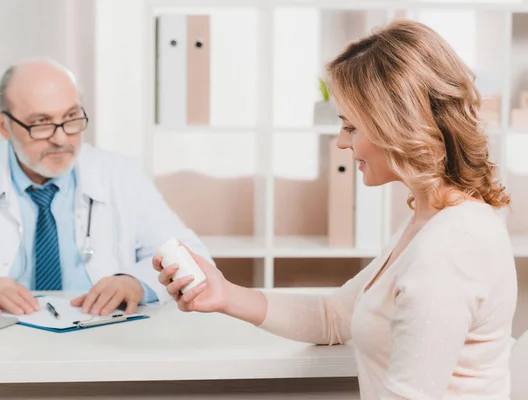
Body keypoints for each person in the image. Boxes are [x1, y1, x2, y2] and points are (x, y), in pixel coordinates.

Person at [153, 20, 518, 399]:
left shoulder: (449, 248)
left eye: (350, 126)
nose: (342, 142)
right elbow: (334, 316)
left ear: (396, 127)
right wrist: (225, 294)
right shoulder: (434, 220)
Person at [0, 58, 211, 317]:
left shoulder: (120, 175)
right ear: (3, 125)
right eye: (41, 123)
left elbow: (193, 258)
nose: (61, 138)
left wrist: (136, 283)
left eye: (71, 117)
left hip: (103, 334)